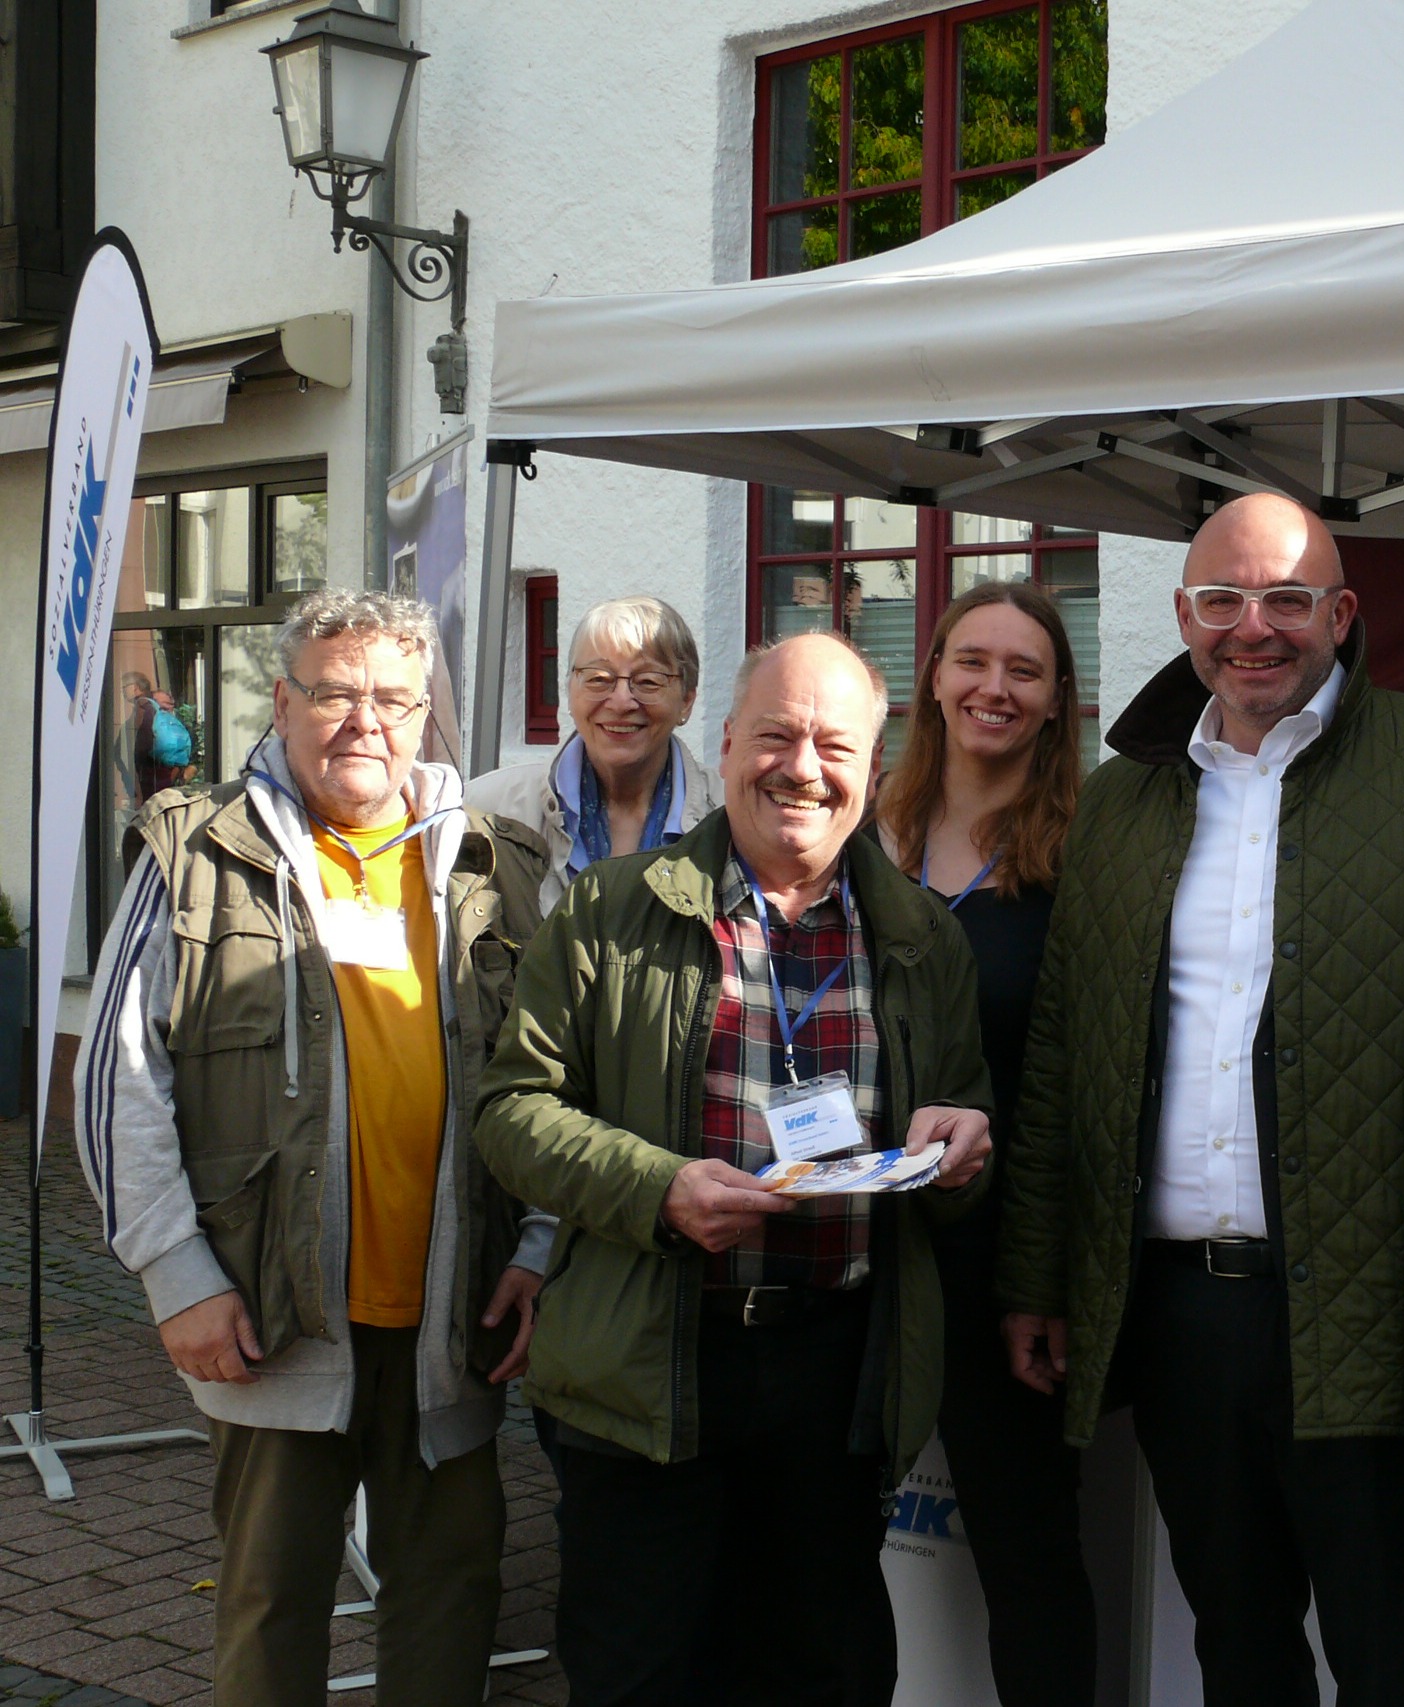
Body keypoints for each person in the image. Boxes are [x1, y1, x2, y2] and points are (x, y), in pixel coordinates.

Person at [995, 494, 1404, 1707]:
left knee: (1389, 1657)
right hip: (1186, 1315)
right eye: (1226, 602)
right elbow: (1061, 1061)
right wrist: (1038, 1275)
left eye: (1288, 600)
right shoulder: (1121, 805)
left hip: (1379, 1310)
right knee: (1236, 1649)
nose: (1256, 629)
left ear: (1341, 616)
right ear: (1184, 615)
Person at [473, 632, 997, 1705]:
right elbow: (510, 1112)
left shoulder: (920, 940)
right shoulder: (611, 910)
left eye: (832, 744)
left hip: (836, 1372)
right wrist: (656, 1188)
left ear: (875, 768)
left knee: (822, 1670)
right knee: (639, 1672)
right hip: (649, 1356)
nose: (802, 767)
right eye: (776, 735)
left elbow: (965, 1135)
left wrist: (962, 1148)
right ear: (725, 744)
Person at [74, 590, 551, 1705]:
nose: (363, 722)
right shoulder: (199, 852)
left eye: (392, 698)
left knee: (448, 1603)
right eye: (334, 694)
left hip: (453, 1316)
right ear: (282, 703)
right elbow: (117, 1081)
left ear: (425, 711)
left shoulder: (497, 862)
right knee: (272, 1609)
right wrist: (176, 1276)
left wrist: (538, 1247)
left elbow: (551, 1076)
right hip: (271, 1312)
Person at [871, 581, 1097, 1707]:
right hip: (855, 1246)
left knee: (1028, 1554)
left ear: (1058, 702)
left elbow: (1082, 1086)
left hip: (999, 1261)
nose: (992, 690)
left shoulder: (1087, 857)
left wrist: (1040, 1275)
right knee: (825, 1548)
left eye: (1024, 671)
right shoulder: (867, 831)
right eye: (973, 662)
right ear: (935, 678)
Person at [467, 594, 715, 909]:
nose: (622, 701)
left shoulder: (731, 818)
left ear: (687, 701)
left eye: (648, 681)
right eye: (598, 679)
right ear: (569, 691)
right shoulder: (483, 812)